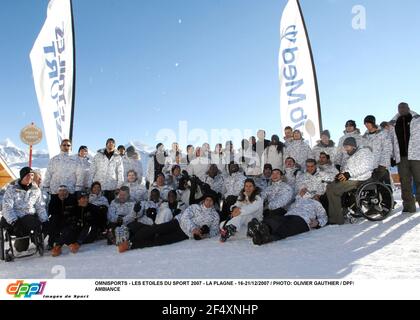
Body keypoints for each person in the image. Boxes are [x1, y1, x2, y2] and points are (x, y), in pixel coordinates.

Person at [116, 194, 220, 252]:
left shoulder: (215, 216)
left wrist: (204, 234)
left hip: (185, 234)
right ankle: (129, 235)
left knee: (160, 241)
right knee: (156, 229)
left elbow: (215, 230)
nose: (209, 202)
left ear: (213, 202)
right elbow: (185, 217)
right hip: (178, 223)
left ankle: (131, 244)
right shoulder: (195, 207)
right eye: (207, 199)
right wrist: (193, 228)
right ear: (204, 201)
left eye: (211, 200)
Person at [326, 137, 374, 224]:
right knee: (329, 186)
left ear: (353, 146)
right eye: (344, 147)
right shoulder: (352, 155)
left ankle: (337, 219)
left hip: (361, 179)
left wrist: (349, 174)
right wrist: (341, 174)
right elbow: (347, 169)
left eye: (347, 147)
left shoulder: (365, 152)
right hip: (352, 177)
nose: (345, 149)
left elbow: (365, 167)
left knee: (334, 190)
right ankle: (335, 214)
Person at [1, 167, 48, 252]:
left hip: (28, 217)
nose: (30, 177)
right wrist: (14, 221)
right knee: (21, 249)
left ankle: (36, 240)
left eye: (32, 175)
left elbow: (40, 207)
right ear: (22, 177)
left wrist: (45, 220)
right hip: (14, 218)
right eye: (27, 175)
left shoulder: (36, 190)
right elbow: (7, 207)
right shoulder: (12, 189)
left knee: (41, 225)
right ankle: (20, 240)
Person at [248, 197, 328, 246]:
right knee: (276, 220)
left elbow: (324, 217)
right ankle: (260, 228)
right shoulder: (300, 200)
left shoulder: (317, 204)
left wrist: (317, 223)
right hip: (289, 215)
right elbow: (290, 206)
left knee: (286, 228)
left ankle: (266, 237)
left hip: (303, 220)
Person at [50, 191, 104, 256]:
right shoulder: (72, 208)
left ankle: (77, 244)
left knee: (87, 225)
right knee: (68, 226)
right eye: (83, 198)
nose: (86, 200)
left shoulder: (92, 208)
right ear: (78, 200)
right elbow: (64, 224)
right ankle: (58, 246)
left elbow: (100, 219)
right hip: (73, 234)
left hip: (86, 235)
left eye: (87, 198)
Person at [389, 102, 420, 212]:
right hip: (401, 157)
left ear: (408, 108)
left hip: (417, 156)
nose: (401, 109)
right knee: (405, 182)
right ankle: (408, 207)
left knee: (419, 180)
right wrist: (392, 156)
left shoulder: (417, 120)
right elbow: (391, 142)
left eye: (403, 107)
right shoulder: (392, 124)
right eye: (399, 108)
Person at [89, 138, 124, 203]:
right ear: (106, 145)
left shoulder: (118, 157)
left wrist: (119, 186)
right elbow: (92, 170)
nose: (110, 144)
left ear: (114, 146)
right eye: (109, 142)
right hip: (99, 187)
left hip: (112, 187)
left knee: (111, 205)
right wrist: (89, 185)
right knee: (97, 205)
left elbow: (120, 172)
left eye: (112, 143)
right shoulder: (98, 156)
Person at [362, 115, 392, 185]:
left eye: (368, 123)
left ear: (373, 123)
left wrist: (383, 164)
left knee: (385, 187)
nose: (366, 125)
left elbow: (387, 149)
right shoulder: (364, 137)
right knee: (373, 187)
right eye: (365, 123)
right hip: (370, 168)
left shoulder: (383, 133)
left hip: (381, 166)